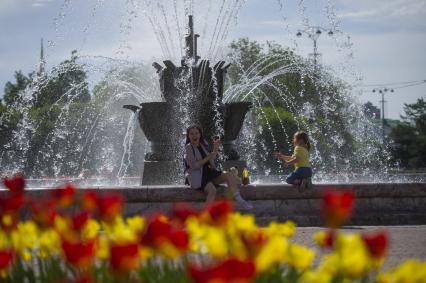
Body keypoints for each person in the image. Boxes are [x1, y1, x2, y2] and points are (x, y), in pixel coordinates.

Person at [184, 125, 252, 209]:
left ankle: (240, 200)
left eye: (196, 133)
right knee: (212, 190)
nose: (194, 136)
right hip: (198, 176)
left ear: (200, 134)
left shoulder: (202, 145)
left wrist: (215, 149)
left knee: (228, 174)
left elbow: (211, 160)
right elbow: (194, 166)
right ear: (188, 135)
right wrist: (207, 157)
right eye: (192, 134)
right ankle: (205, 215)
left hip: (209, 173)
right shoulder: (188, 147)